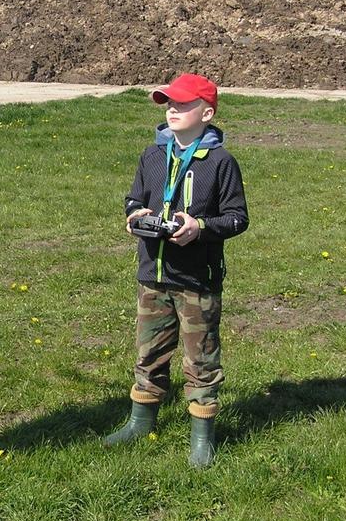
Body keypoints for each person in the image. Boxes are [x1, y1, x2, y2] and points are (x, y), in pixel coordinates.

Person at [104, 73, 248, 469]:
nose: (172, 109)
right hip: (153, 275)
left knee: (200, 359)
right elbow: (133, 197)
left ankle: (202, 438)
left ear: (207, 112)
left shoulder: (220, 163)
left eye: (182, 104)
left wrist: (200, 228)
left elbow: (238, 218)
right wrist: (135, 215)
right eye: (168, 102)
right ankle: (140, 422)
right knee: (148, 352)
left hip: (197, 281)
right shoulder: (152, 155)